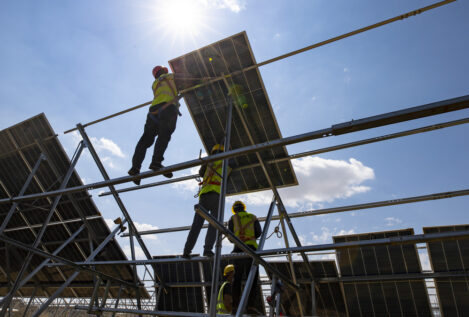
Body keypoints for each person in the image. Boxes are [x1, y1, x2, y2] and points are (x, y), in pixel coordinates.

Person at [128, 65, 180, 185]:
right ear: (164, 71)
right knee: (164, 135)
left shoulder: (155, 83)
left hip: (153, 111)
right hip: (168, 108)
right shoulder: (171, 77)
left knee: (145, 140)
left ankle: (135, 168)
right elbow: (186, 79)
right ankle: (156, 162)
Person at [182, 144, 230, 258]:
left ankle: (186, 251)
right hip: (217, 196)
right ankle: (207, 249)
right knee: (213, 225)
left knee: (196, 225)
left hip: (205, 196)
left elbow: (201, 173)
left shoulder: (208, 162)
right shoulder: (226, 161)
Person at [228, 200, 262, 314]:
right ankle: (251, 307)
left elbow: (230, 236)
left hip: (238, 250)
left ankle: (235, 307)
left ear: (234, 209)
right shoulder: (253, 217)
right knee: (251, 279)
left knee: (236, 279)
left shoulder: (233, 218)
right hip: (251, 250)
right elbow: (258, 232)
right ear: (244, 208)